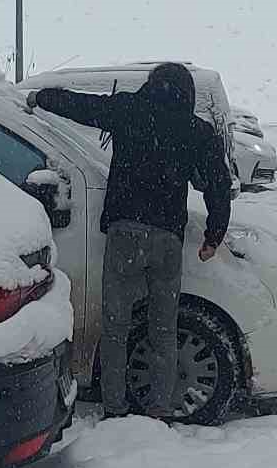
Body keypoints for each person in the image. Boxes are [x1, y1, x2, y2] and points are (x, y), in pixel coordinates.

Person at [28, 63, 232, 419]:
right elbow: (218, 185)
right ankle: (157, 407)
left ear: (152, 85)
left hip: (125, 233)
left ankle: (115, 405)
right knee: (163, 328)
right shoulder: (197, 131)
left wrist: (41, 97)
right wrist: (214, 235)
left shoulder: (129, 110)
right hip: (167, 237)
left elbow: (82, 106)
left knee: (116, 325)